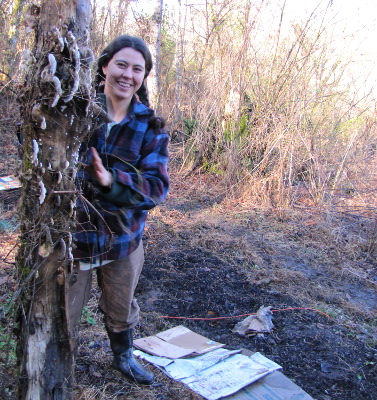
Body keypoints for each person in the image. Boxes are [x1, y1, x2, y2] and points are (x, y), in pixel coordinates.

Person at [68, 35, 170, 385]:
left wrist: (112, 180)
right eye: (121, 65)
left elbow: (157, 188)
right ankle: (58, 365)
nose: (128, 74)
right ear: (105, 66)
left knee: (121, 307)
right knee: (63, 310)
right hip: (72, 237)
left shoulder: (151, 128)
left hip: (123, 240)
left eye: (137, 69)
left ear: (144, 77)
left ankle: (123, 358)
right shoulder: (74, 111)